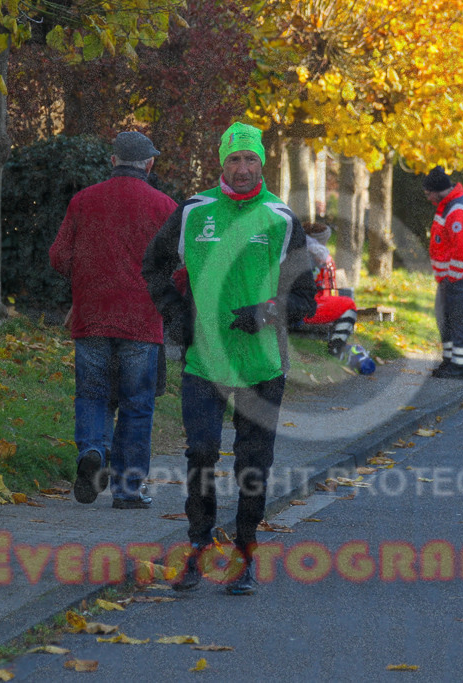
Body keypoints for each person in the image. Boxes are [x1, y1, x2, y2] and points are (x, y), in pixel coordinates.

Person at [142, 121, 317, 595]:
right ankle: (198, 546)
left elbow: (306, 297)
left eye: (250, 159)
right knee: (200, 455)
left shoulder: (281, 219)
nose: (242, 168)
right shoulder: (194, 212)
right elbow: (153, 265)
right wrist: (177, 316)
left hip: (262, 366)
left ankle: (244, 555)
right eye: (234, 159)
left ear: (263, 162)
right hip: (205, 363)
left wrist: (267, 312)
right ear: (222, 164)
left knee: (252, 466)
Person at [49, 131, 178, 510]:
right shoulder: (165, 207)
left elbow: (59, 256)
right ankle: (127, 490)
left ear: (113, 161)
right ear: (149, 164)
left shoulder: (84, 200)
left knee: (93, 394)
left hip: (92, 316)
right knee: (137, 405)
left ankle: (92, 451)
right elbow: (180, 266)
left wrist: (87, 281)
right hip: (141, 321)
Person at [423, 165, 463, 380]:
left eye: (428, 193)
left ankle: (458, 366)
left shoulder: (458, 211)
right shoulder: (449, 204)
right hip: (450, 276)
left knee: (459, 319)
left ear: (437, 190)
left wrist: (453, 276)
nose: (427, 197)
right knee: (445, 318)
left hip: (458, 276)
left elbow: (461, 248)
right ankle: (449, 361)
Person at [300, 221, 357, 356]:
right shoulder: (315, 257)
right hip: (306, 308)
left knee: (346, 303)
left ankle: (337, 344)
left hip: (307, 304)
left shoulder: (305, 252)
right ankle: (336, 346)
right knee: (349, 304)